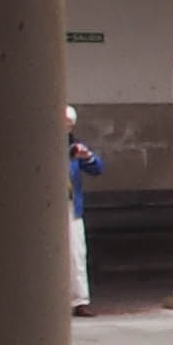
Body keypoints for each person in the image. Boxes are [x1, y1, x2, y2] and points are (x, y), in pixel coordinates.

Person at [66, 108, 101, 317]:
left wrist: (87, 157)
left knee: (76, 254)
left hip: (71, 206)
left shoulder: (74, 146)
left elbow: (97, 168)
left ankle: (80, 300)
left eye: (69, 123)